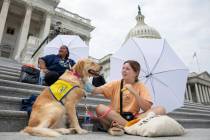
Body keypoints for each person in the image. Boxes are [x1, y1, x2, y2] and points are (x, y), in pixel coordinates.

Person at [84, 60, 166, 135]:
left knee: (161, 109)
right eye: (123, 68)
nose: (124, 70)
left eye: (127, 69)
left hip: (134, 118)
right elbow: (97, 90)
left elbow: (147, 108)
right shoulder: (115, 83)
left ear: (136, 73)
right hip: (115, 117)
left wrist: (134, 92)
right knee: (100, 108)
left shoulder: (141, 86)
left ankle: (125, 126)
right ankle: (130, 127)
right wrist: (85, 82)